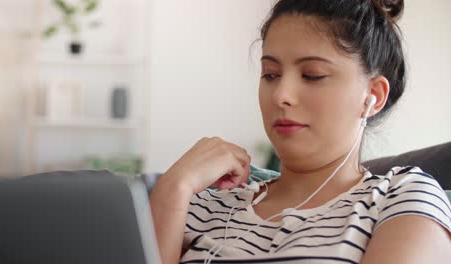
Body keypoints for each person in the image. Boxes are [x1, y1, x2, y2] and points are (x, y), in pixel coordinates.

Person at [150, 0, 451, 263]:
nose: (281, 94)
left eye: (312, 75)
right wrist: (174, 186)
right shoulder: (202, 205)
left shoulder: (400, 197)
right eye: (271, 74)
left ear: (372, 96)